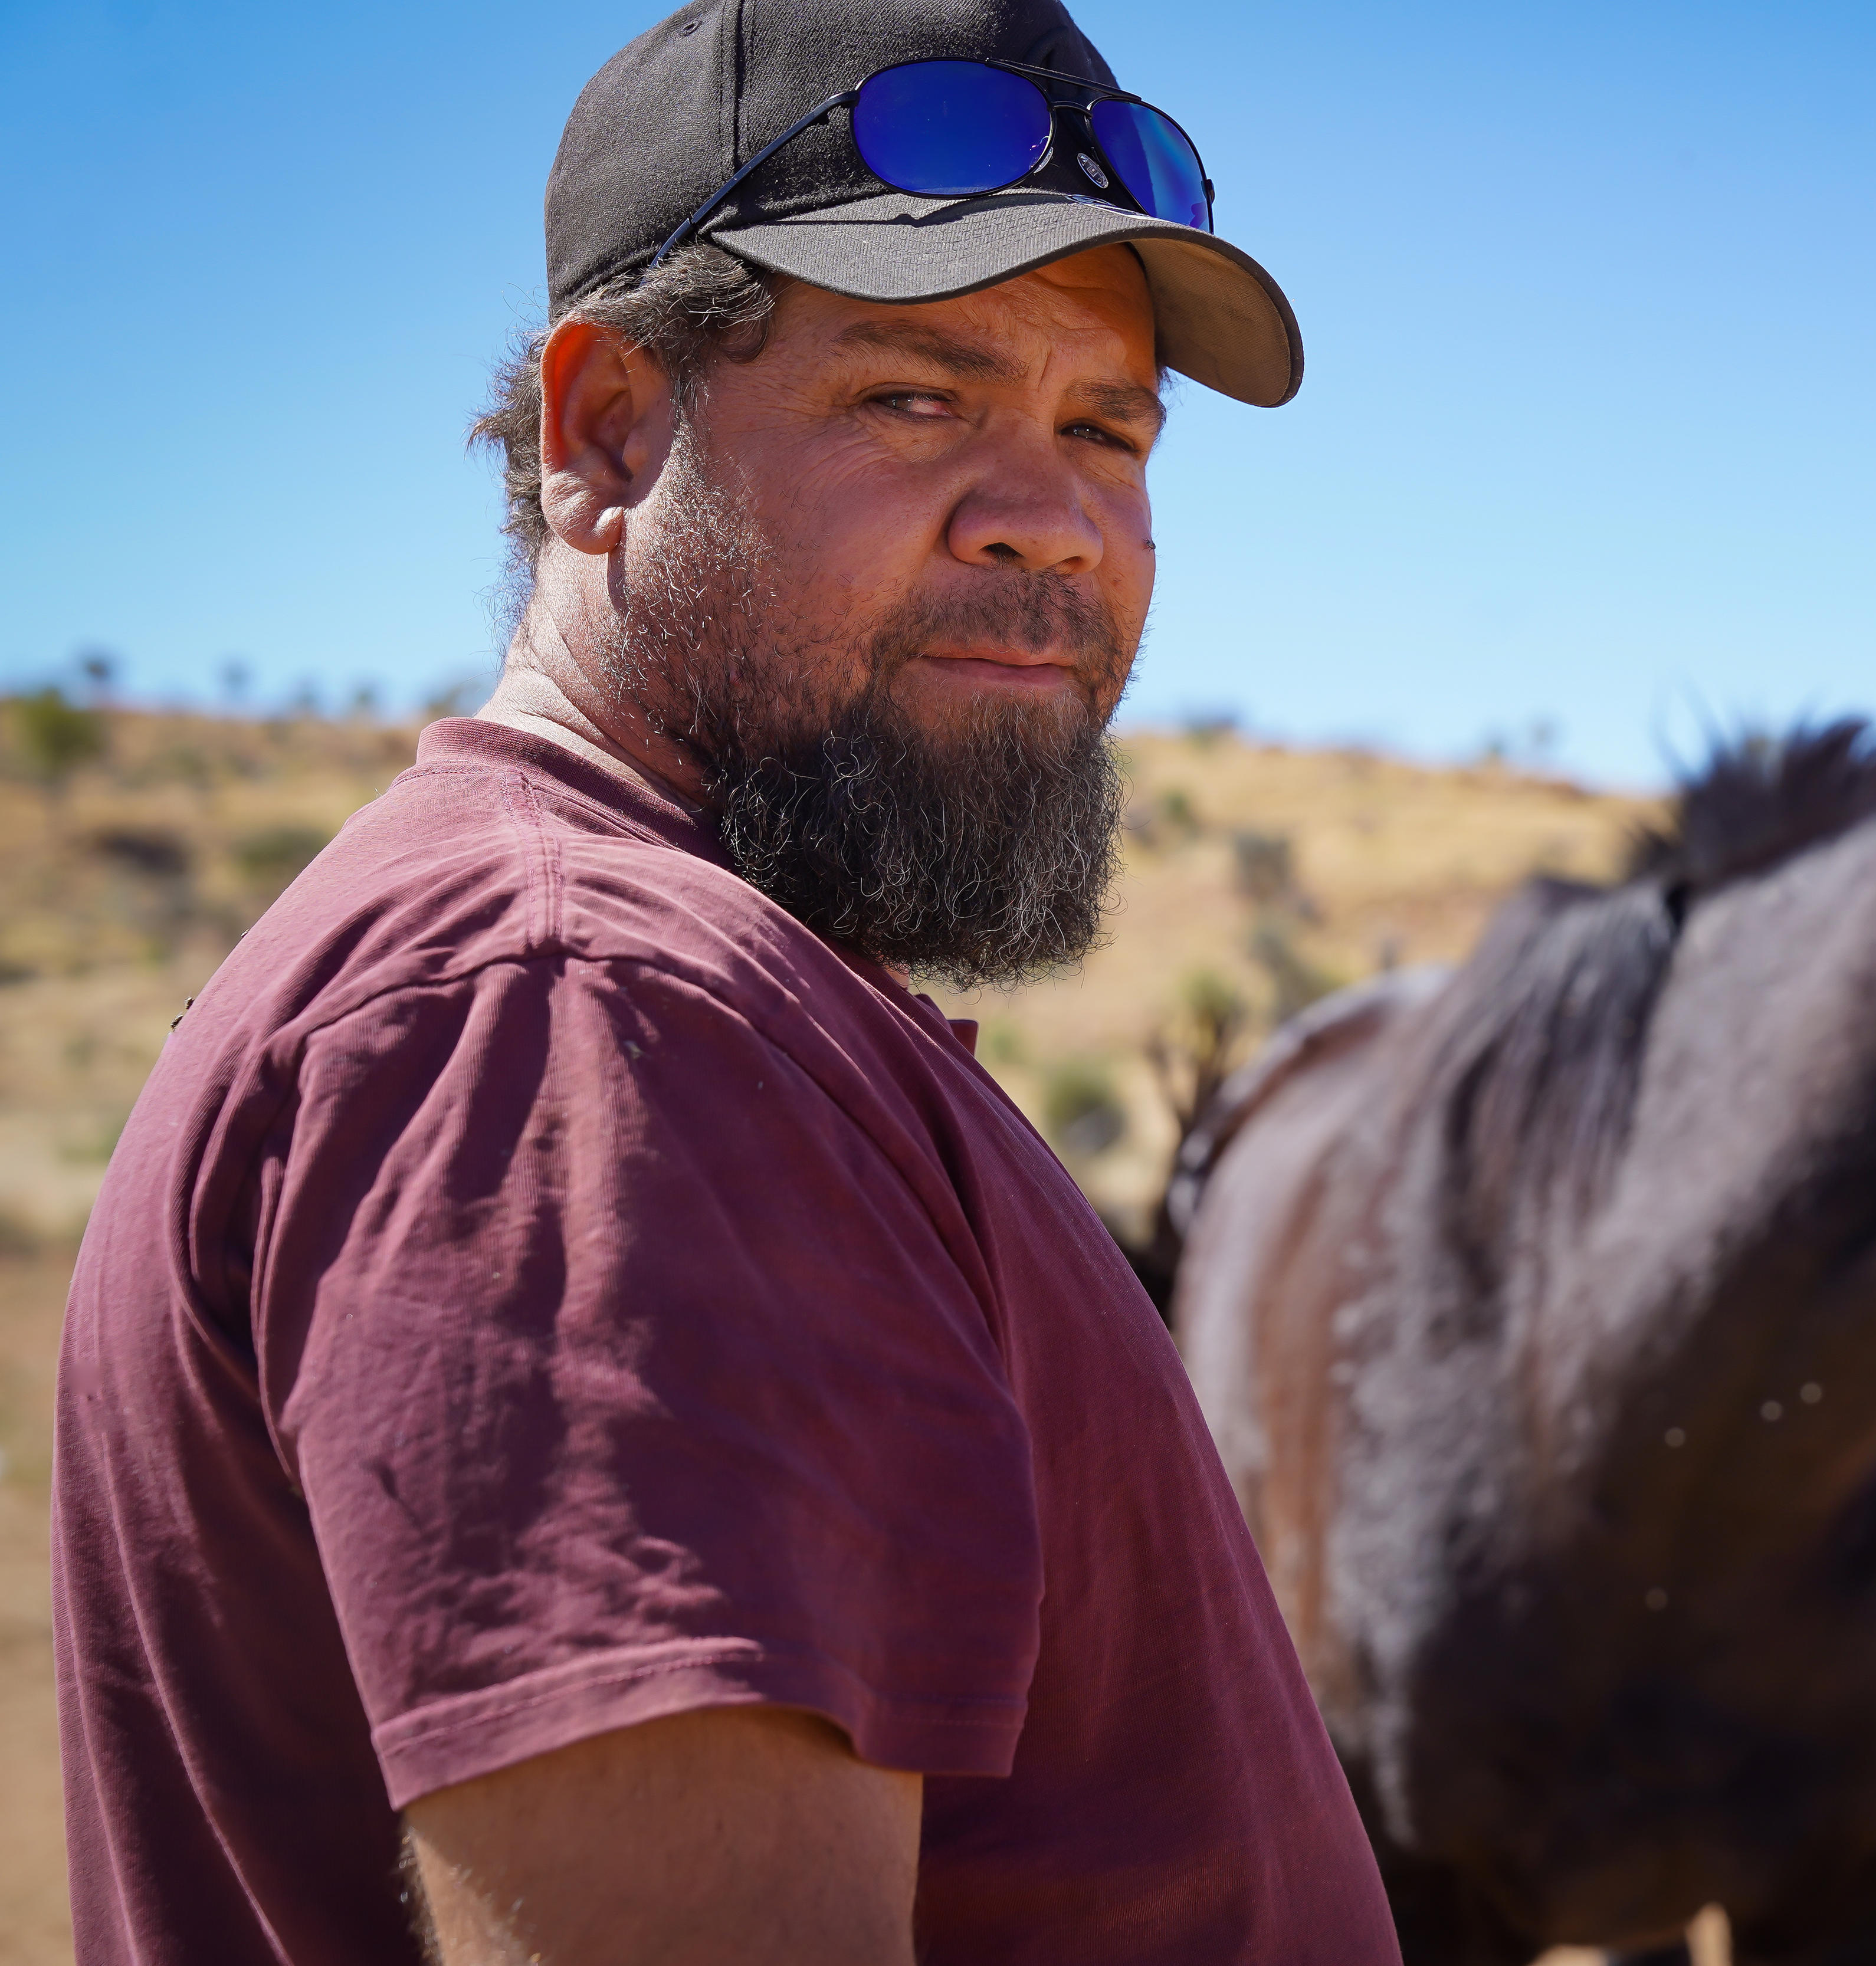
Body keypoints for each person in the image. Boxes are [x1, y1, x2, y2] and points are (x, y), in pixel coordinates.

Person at [50, 2, 1399, 1960]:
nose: (1055, 520)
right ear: (606, 433)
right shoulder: (582, 1018)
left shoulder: (649, 982)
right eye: (914, 398)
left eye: (1106, 429)